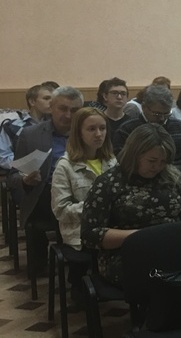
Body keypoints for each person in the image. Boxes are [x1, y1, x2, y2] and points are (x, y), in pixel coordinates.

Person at [81, 124, 181, 286]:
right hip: (127, 251)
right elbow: (90, 234)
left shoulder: (172, 176)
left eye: (163, 161)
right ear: (134, 155)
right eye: (152, 161)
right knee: (163, 277)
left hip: (171, 245)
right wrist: (143, 236)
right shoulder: (108, 182)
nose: (157, 167)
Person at [8, 87, 84, 277]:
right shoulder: (30, 134)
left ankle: (80, 272)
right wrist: (26, 180)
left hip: (81, 195)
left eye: (74, 110)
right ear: (52, 108)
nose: (68, 115)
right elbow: (13, 177)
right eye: (63, 109)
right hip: (44, 196)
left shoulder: (89, 132)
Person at [50, 107, 116, 305]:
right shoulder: (65, 166)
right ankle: (81, 285)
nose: (99, 134)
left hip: (111, 226)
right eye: (91, 129)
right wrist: (94, 208)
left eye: (102, 128)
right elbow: (61, 210)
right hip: (80, 231)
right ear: (78, 133)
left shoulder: (111, 161)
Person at [113, 85, 181, 164]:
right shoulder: (126, 130)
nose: (162, 118)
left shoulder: (180, 128)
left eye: (166, 114)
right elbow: (121, 162)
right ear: (144, 107)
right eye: (157, 114)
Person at [0, 84, 52, 170]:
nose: (51, 102)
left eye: (53, 99)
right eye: (46, 98)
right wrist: (25, 166)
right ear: (32, 102)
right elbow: (4, 157)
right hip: (24, 172)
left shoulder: (58, 125)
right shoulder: (12, 127)